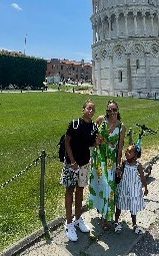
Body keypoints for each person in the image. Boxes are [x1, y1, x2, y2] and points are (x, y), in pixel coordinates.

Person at [61, 99, 97, 242]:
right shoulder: (75, 124)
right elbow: (67, 142)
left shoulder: (93, 127)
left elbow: (91, 144)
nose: (91, 111)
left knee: (80, 190)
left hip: (83, 164)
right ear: (83, 110)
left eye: (93, 109)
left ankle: (77, 219)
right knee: (69, 190)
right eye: (89, 108)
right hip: (72, 164)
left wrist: (97, 142)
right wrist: (73, 161)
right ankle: (68, 223)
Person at [88, 99, 125, 231]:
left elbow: (120, 149)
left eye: (114, 110)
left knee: (109, 189)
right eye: (110, 110)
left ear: (118, 110)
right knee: (99, 186)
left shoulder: (121, 127)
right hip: (98, 158)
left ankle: (105, 218)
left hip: (110, 162)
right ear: (107, 111)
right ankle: (100, 209)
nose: (112, 112)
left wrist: (119, 166)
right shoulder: (100, 120)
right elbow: (91, 136)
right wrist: (95, 141)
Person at [114, 143, 149, 234]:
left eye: (130, 152)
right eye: (126, 151)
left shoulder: (138, 166)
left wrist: (145, 188)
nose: (127, 153)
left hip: (133, 190)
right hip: (124, 188)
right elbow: (120, 173)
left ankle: (134, 224)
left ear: (135, 155)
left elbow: (142, 178)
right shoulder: (124, 163)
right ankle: (116, 221)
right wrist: (118, 172)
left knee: (133, 206)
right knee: (119, 205)